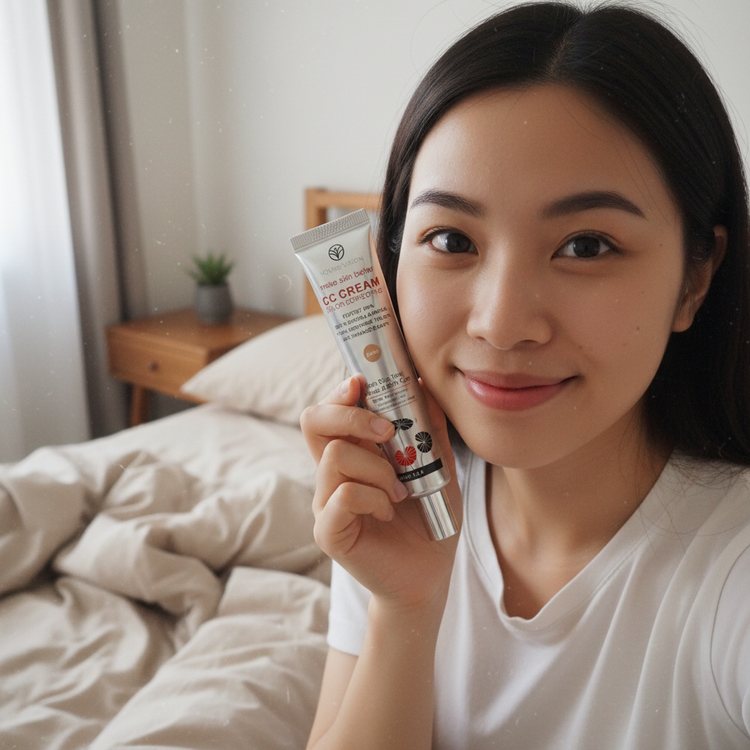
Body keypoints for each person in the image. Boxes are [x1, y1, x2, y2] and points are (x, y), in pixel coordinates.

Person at [300, 2, 750, 748]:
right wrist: (405, 610)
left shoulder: (731, 574)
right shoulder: (393, 502)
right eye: (452, 240)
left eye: (587, 246)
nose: (502, 323)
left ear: (695, 279)